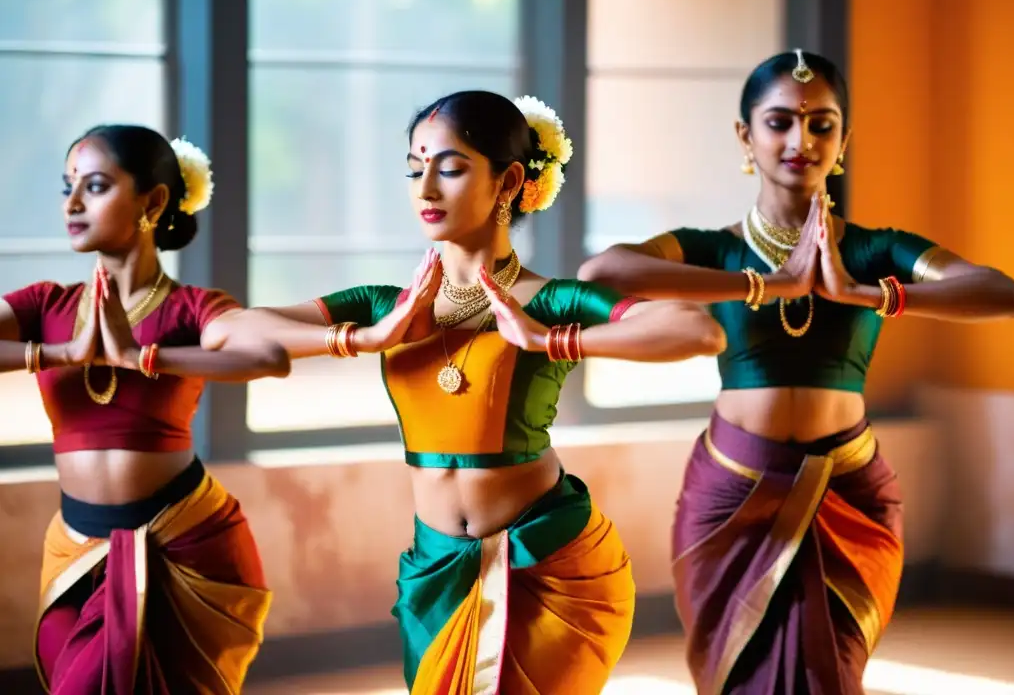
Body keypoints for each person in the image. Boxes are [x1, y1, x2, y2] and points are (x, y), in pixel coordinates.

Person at [220, 90, 726, 694]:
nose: (425, 188)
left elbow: (697, 330)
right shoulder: (385, 306)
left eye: (450, 168)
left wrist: (552, 341)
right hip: (436, 566)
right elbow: (230, 329)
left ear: (510, 180)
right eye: (415, 168)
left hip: (547, 562)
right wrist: (365, 337)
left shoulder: (550, 300)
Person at [577, 50, 1014, 694]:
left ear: (844, 139)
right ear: (745, 136)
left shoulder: (874, 251)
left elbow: (1000, 293)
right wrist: (761, 283)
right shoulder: (713, 249)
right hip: (731, 491)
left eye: (822, 125)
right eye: (779, 121)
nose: (800, 140)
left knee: (831, 675)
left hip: (847, 491)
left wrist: (870, 294)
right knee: (734, 675)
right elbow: (603, 271)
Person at [0, 125, 289, 694]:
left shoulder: (191, 308)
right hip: (76, 551)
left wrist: (140, 357)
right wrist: (57, 353)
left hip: (181, 542)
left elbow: (269, 356)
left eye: (97, 186)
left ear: (153, 202)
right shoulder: (46, 306)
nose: (73, 203)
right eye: (67, 188)